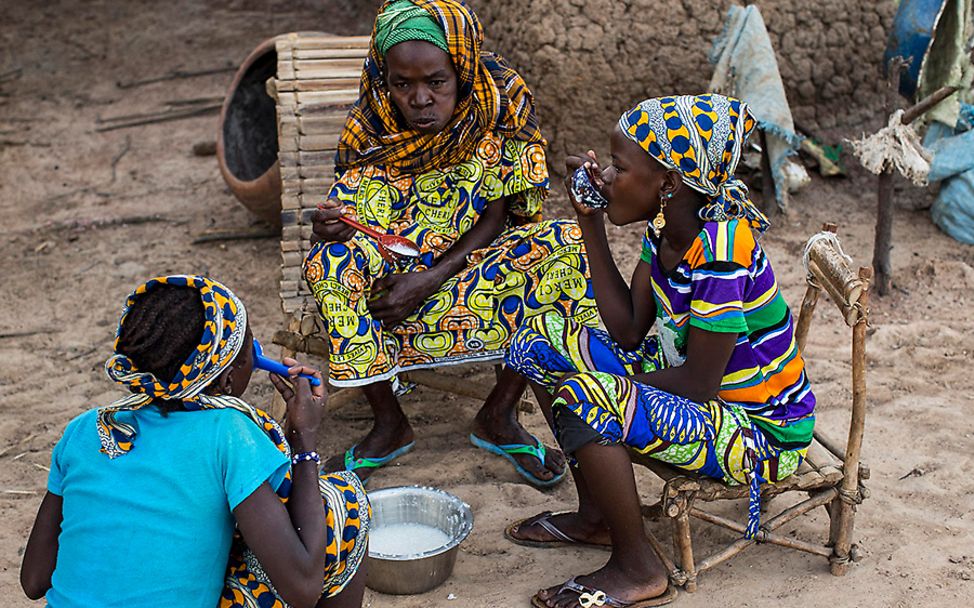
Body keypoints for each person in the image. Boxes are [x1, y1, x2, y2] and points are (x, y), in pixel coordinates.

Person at [503, 94, 816, 608]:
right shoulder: (663, 230)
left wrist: (605, 392)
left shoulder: (722, 248)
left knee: (588, 398)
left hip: (760, 433)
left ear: (668, 184)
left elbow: (698, 384)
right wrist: (590, 223)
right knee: (539, 341)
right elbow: (628, 330)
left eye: (619, 167)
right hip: (697, 392)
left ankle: (640, 567)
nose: (605, 176)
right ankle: (596, 517)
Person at [305, 0, 596, 487]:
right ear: (386, 80)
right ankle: (390, 423)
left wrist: (430, 279)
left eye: (436, 82)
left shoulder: (500, 107)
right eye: (404, 84)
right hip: (392, 288)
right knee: (328, 263)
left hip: (475, 270)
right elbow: (355, 214)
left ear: (460, 71)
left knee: (566, 245)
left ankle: (499, 414)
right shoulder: (373, 122)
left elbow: (502, 218)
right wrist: (334, 229)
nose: (419, 99)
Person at [20, 276, 369, 608]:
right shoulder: (228, 434)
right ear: (230, 379)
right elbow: (303, 589)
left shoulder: (85, 429)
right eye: (250, 346)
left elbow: (34, 580)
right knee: (340, 500)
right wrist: (304, 441)